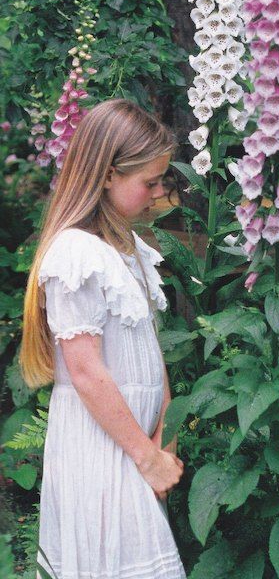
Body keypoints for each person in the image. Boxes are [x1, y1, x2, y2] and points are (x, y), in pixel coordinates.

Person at [20, 99, 186, 579]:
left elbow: (152, 354)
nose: (158, 195)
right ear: (108, 175)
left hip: (140, 445)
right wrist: (144, 454)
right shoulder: (76, 253)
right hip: (103, 445)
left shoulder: (130, 248)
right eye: (149, 183)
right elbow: (87, 371)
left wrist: (165, 441)